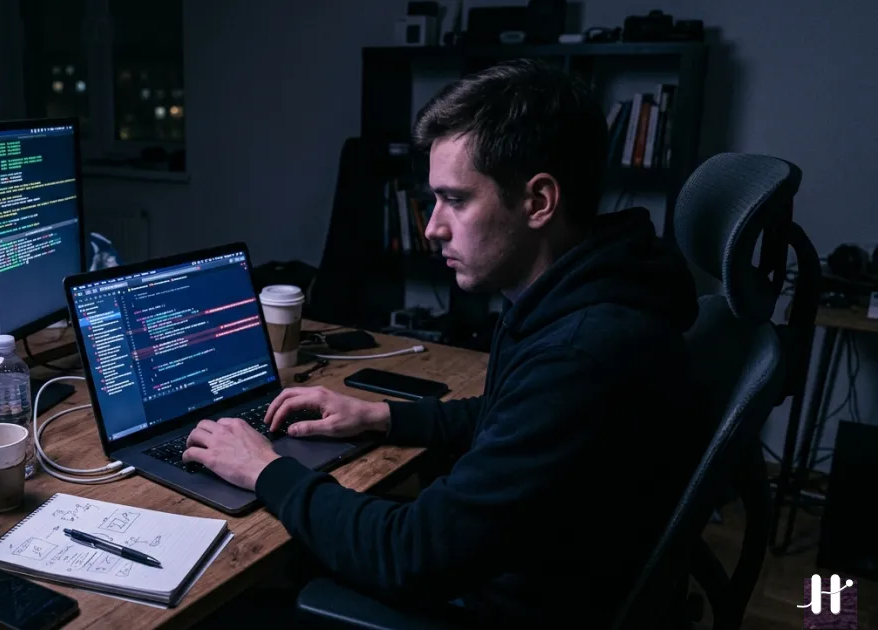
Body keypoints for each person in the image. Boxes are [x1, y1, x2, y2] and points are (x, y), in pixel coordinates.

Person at [182, 59, 703, 627]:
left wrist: (265, 469)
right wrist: (380, 416)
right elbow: (510, 414)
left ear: (539, 201)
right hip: (523, 567)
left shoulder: (583, 351)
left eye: (455, 199)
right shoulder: (588, 289)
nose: (432, 227)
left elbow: (410, 555)